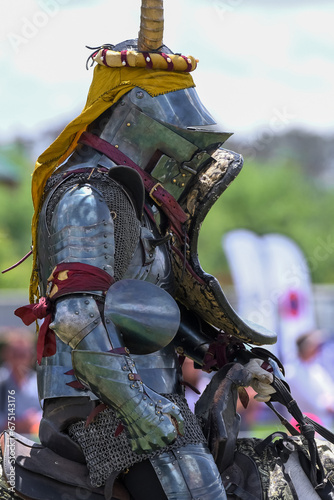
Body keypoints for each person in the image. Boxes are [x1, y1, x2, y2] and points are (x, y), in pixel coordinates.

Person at [11, 1, 277, 498]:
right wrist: (140, 411)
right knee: (197, 488)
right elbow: (76, 319)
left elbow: (148, 310)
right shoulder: (86, 196)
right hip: (99, 403)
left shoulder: (132, 202)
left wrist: (223, 353)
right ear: (132, 116)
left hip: (146, 390)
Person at [0, 330, 41, 436]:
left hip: (32, 442)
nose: (19, 360)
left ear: (31, 357)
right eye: (15, 354)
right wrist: (14, 424)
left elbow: (45, 412)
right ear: (6, 354)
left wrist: (34, 420)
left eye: (22, 355)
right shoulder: (2, 380)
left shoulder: (37, 382)